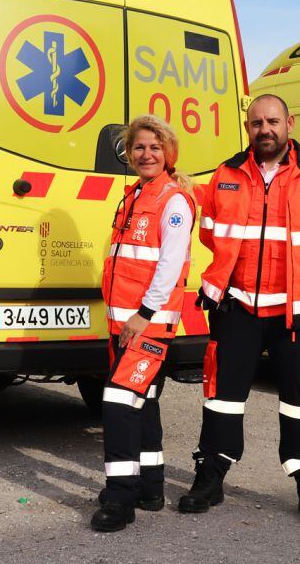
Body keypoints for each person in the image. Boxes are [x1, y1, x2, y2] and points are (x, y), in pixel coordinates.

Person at [177, 93, 300, 527]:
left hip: (299, 312)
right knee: (221, 398)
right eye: (256, 123)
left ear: (290, 123)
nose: (265, 130)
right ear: (248, 127)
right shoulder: (227, 174)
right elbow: (212, 234)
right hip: (237, 306)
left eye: (273, 121)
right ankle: (211, 477)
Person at [91, 115, 196, 533]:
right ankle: (151, 488)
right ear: (129, 153)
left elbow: (169, 266)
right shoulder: (135, 194)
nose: (146, 154)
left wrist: (145, 313)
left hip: (147, 326)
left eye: (155, 147)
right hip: (125, 326)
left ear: (168, 152)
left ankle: (120, 500)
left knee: (117, 406)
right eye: (138, 147)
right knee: (144, 402)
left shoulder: (172, 199)